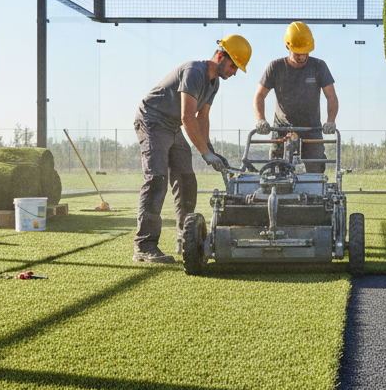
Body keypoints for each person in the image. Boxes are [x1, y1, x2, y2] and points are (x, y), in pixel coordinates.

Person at [132, 35, 251, 263]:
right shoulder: (194, 72)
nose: (235, 72)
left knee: (187, 180)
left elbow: (202, 116)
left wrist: (210, 149)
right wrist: (205, 153)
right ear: (220, 55)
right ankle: (144, 246)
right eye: (234, 65)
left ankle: (185, 238)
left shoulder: (214, 83)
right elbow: (188, 116)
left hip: (172, 125)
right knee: (156, 179)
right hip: (153, 120)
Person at [253, 21, 338, 174]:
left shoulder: (319, 66)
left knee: (316, 168)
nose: (302, 57)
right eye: (298, 53)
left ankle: (315, 195)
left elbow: (331, 96)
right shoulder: (275, 67)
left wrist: (330, 121)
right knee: (276, 170)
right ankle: (276, 194)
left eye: (305, 52)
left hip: (312, 128)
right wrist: (261, 119)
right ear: (287, 46)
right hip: (281, 128)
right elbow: (259, 95)